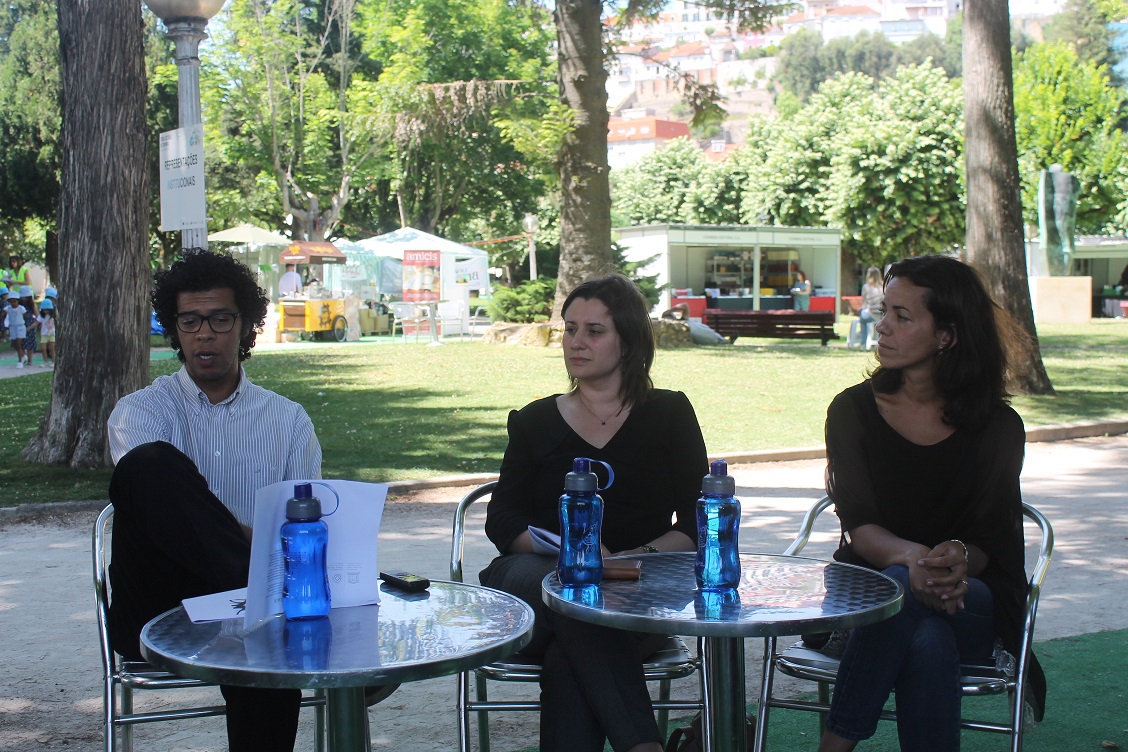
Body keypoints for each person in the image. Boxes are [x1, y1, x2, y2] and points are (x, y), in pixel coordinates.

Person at [817, 255, 1045, 752]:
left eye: (903, 317)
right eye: (885, 313)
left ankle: (832, 747)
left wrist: (959, 556)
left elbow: (993, 540)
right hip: (870, 591)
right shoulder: (852, 410)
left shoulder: (998, 427)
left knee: (905, 599)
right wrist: (912, 559)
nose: (882, 328)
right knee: (921, 630)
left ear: (946, 336)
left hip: (971, 599)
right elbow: (858, 526)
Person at [480, 272, 709, 752]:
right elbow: (501, 519)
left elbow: (696, 522)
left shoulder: (669, 414)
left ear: (628, 342)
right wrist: (568, 554)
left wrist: (629, 559)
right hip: (535, 578)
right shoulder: (535, 420)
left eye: (594, 331)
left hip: (636, 586)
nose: (575, 342)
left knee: (572, 655)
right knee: (576, 585)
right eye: (569, 329)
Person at [106, 249, 322, 752]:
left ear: (245, 327)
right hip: (163, 604)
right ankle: (257, 590)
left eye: (220, 319)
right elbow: (165, 514)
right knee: (151, 463)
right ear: (174, 329)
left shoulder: (288, 421)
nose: (205, 334)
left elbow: (299, 530)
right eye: (190, 321)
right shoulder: (139, 411)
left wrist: (265, 556)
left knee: (266, 639)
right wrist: (255, 548)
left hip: (256, 612)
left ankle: (258, 596)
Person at [856, 266, 883, 346]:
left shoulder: (866, 287)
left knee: (862, 318)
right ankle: (875, 340)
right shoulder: (883, 287)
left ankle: (863, 342)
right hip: (881, 315)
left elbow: (864, 304)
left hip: (870, 314)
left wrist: (862, 309)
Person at [7, 294, 26, 367]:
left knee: (18, 344)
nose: (13, 303)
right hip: (12, 327)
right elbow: (3, 313)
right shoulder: (8, 308)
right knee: (14, 343)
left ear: (18, 301)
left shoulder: (21, 308)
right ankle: (23, 355)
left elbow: (25, 316)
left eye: (14, 301)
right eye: (11, 302)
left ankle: (20, 361)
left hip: (20, 327)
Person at [37, 298, 56, 368]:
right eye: (44, 310)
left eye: (47, 310)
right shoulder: (41, 317)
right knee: (43, 348)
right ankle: (45, 362)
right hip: (44, 335)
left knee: (52, 349)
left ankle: (54, 361)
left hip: (51, 334)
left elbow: (57, 316)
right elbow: (37, 322)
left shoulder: (52, 316)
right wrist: (29, 328)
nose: (46, 311)